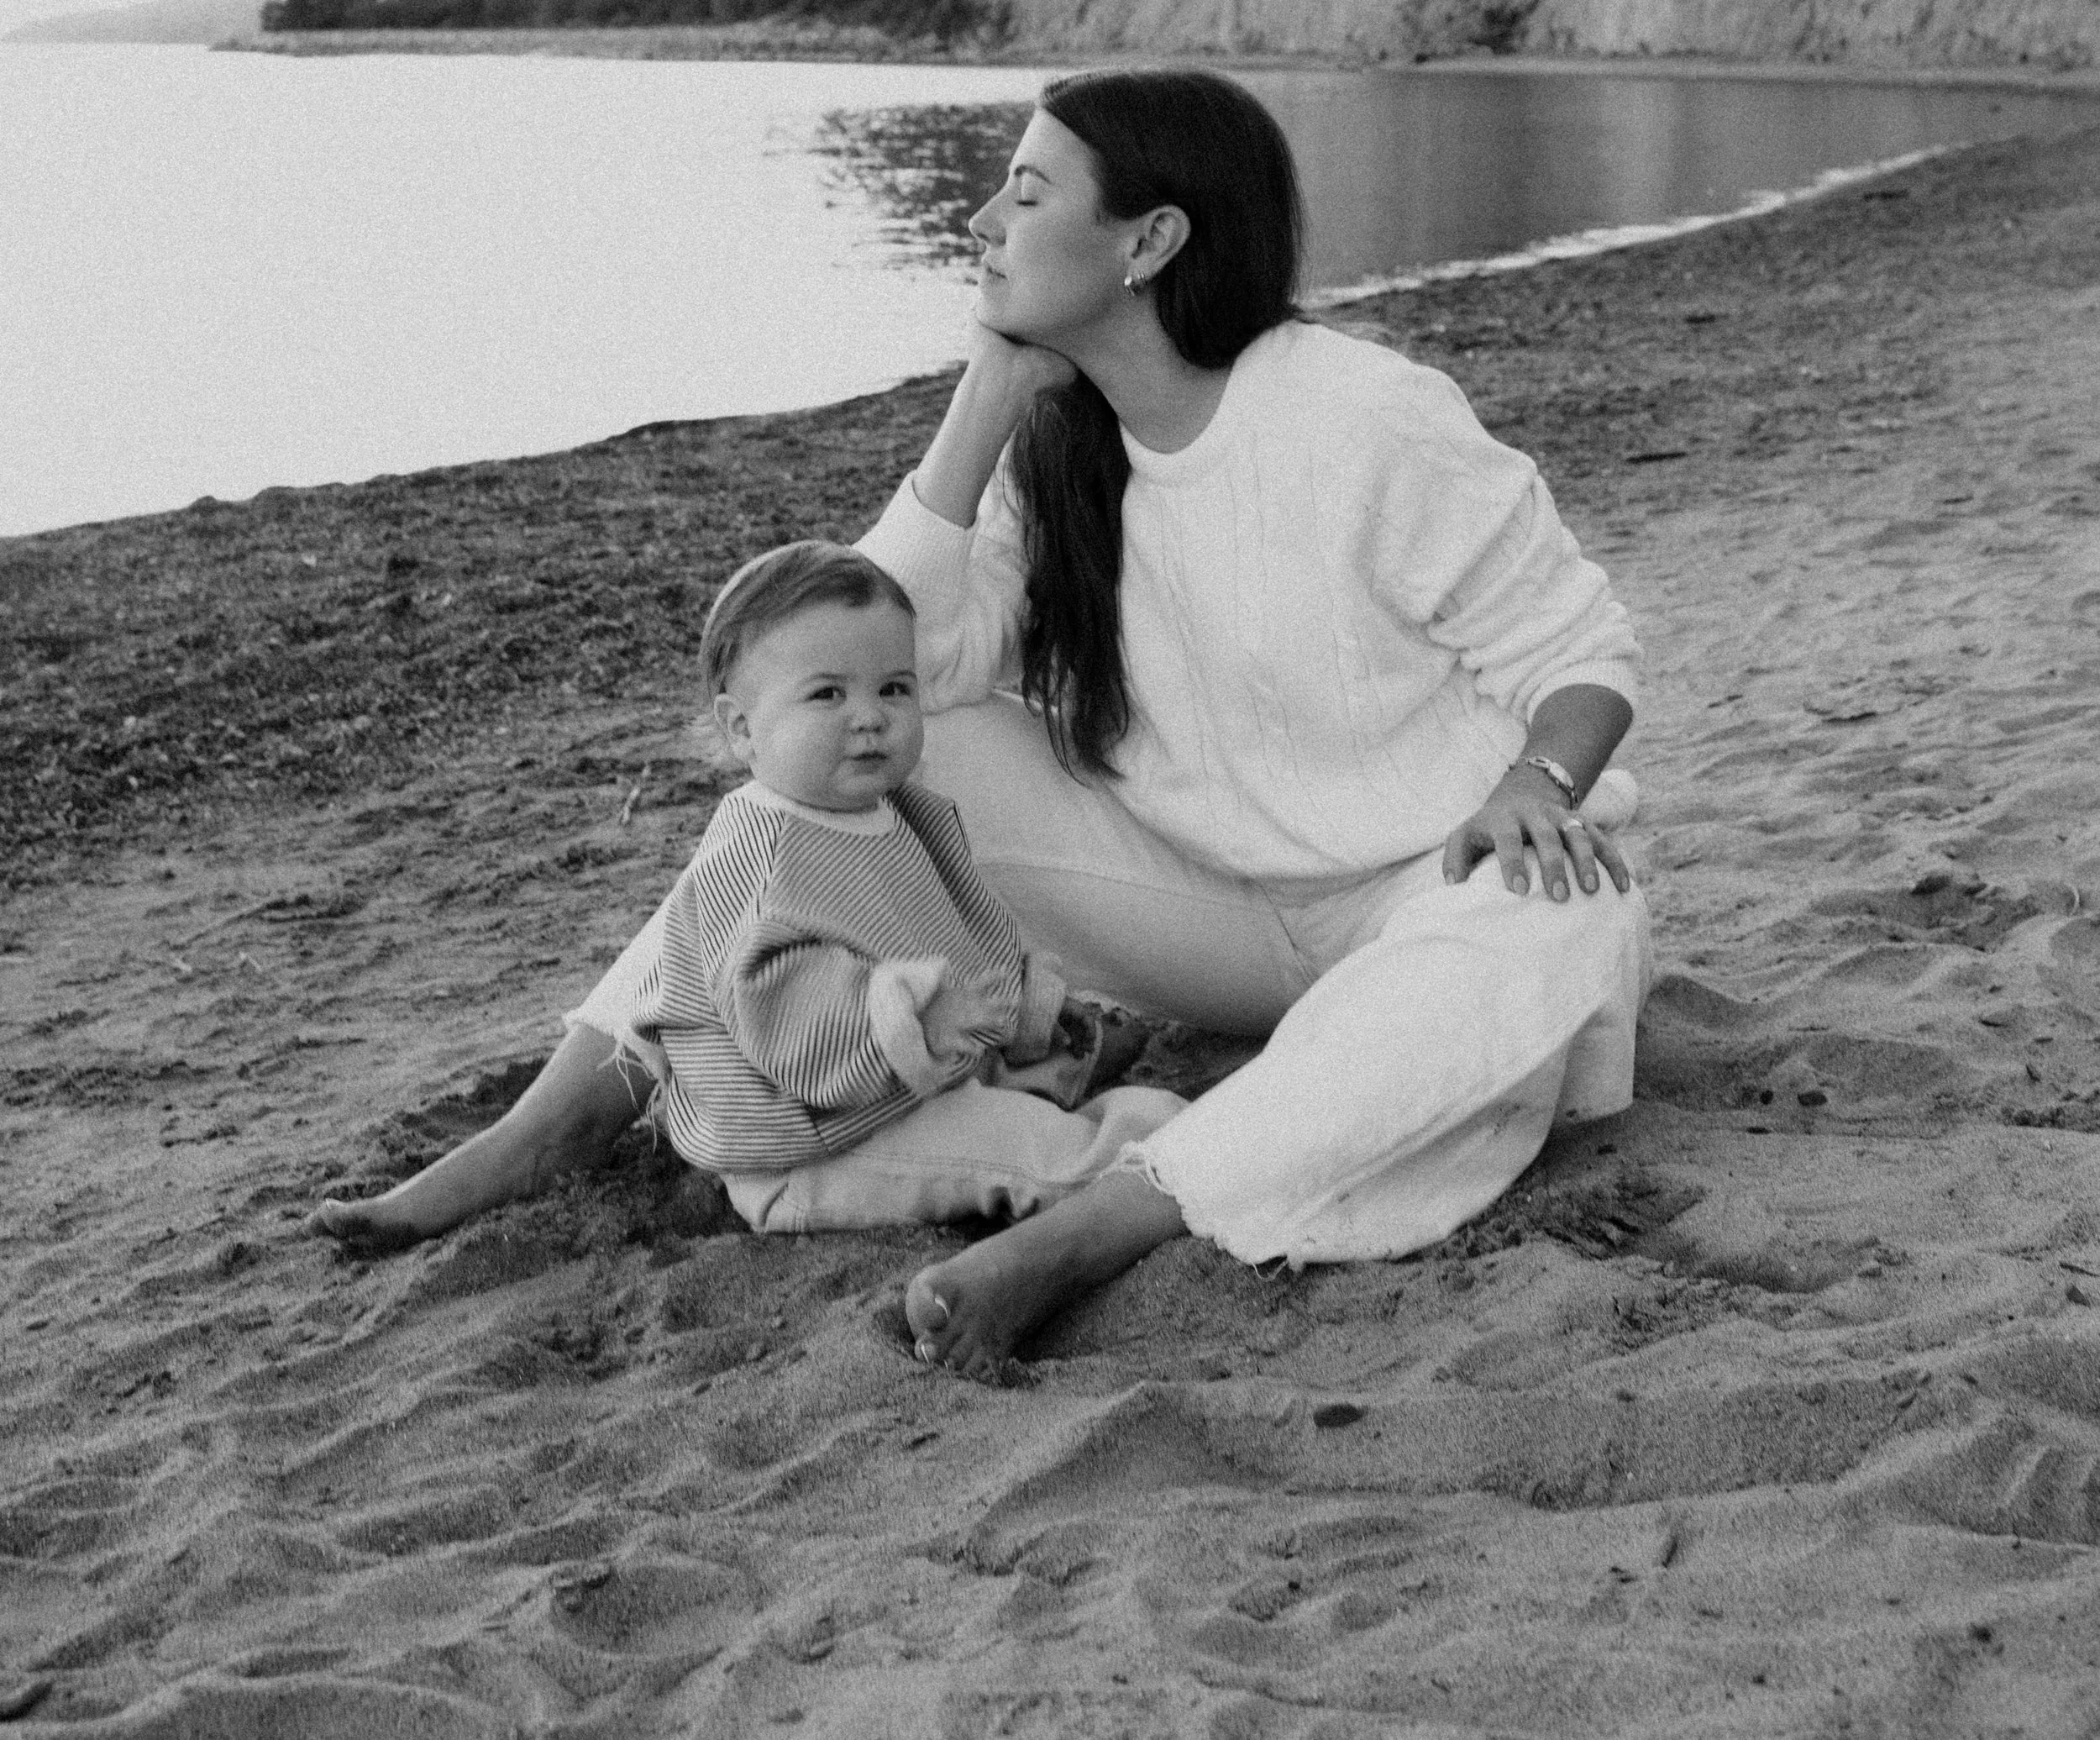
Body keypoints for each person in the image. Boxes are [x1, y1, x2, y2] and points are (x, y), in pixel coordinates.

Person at [318, 68, 1650, 1388]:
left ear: (1150, 239)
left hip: (1423, 895)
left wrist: (1537, 778)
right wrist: (986, 400)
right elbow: (875, 651)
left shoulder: (1366, 417)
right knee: (862, 741)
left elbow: (1577, 646)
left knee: (1569, 903)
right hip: (1201, 916)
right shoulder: (1061, 452)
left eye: (1024, 191)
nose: (978, 223)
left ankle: (1098, 1226)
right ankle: (559, 1115)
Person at [601, 536, 1179, 1232]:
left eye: (894, 689)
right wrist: (905, 1021)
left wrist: (1021, 1005)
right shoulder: (759, 855)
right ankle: (1141, 1166)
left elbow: (955, 927)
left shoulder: (895, 812)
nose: (870, 716)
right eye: (827, 694)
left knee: (1007, 1101)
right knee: (1020, 1147)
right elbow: (779, 1008)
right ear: (742, 730)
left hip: (892, 1085)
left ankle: (1088, 1099)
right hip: (811, 1141)